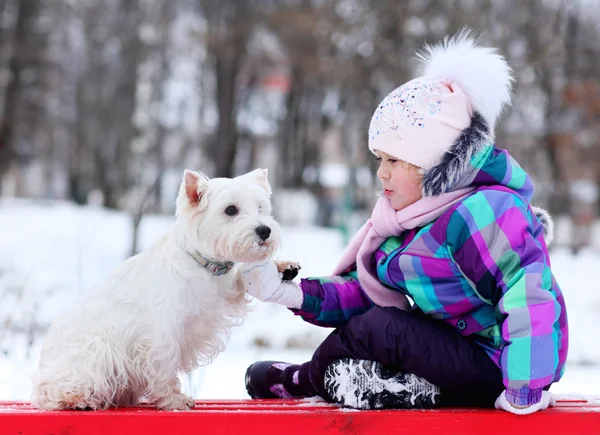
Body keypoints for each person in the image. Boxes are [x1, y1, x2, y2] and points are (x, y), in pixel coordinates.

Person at [239, 31, 568, 415]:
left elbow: (528, 294)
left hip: (501, 365)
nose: (382, 174)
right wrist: (288, 293)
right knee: (375, 324)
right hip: (456, 349)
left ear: (433, 162)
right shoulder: (408, 222)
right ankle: (400, 386)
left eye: (394, 161)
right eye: (380, 159)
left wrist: (525, 388)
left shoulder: (486, 211)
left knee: (383, 328)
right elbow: (364, 293)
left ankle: (305, 381)